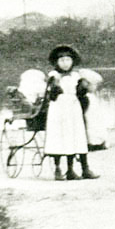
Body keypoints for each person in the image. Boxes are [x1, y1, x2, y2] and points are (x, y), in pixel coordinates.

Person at [44, 45, 99, 180]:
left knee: (77, 136)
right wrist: (55, 87)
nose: (65, 63)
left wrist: (84, 87)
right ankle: (58, 169)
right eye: (62, 60)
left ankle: (80, 169)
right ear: (57, 62)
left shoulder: (76, 75)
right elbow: (52, 94)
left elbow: (81, 93)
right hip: (59, 109)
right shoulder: (54, 76)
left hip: (73, 108)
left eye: (68, 60)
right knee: (59, 137)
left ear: (73, 61)